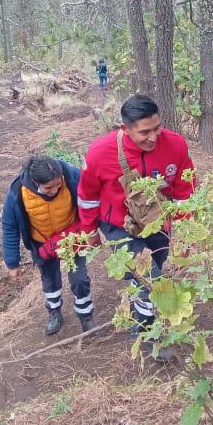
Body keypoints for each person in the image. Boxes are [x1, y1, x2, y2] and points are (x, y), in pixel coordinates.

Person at [77, 94, 195, 361]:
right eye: (144, 132)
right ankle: (145, 332)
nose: (153, 137)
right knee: (148, 276)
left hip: (158, 222)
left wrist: (186, 231)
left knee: (156, 269)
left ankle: (140, 309)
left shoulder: (175, 146)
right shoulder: (100, 152)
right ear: (125, 129)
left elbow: (185, 191)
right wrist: (89, 230)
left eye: (157, 128)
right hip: (118, 225)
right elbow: (87, 194)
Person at [1, 156, 102, 337]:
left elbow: (90, 200)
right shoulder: (17, 193)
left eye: (58, 184)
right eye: (48, 188)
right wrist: (12, 263)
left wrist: (91, 231)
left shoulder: (72, 177)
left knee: (79, 279)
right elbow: (10, 226)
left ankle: (86, 316)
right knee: (50, 280)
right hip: (40, 241)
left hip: (72, 238)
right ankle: (54, 313)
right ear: (34, 182)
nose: (55, 190)